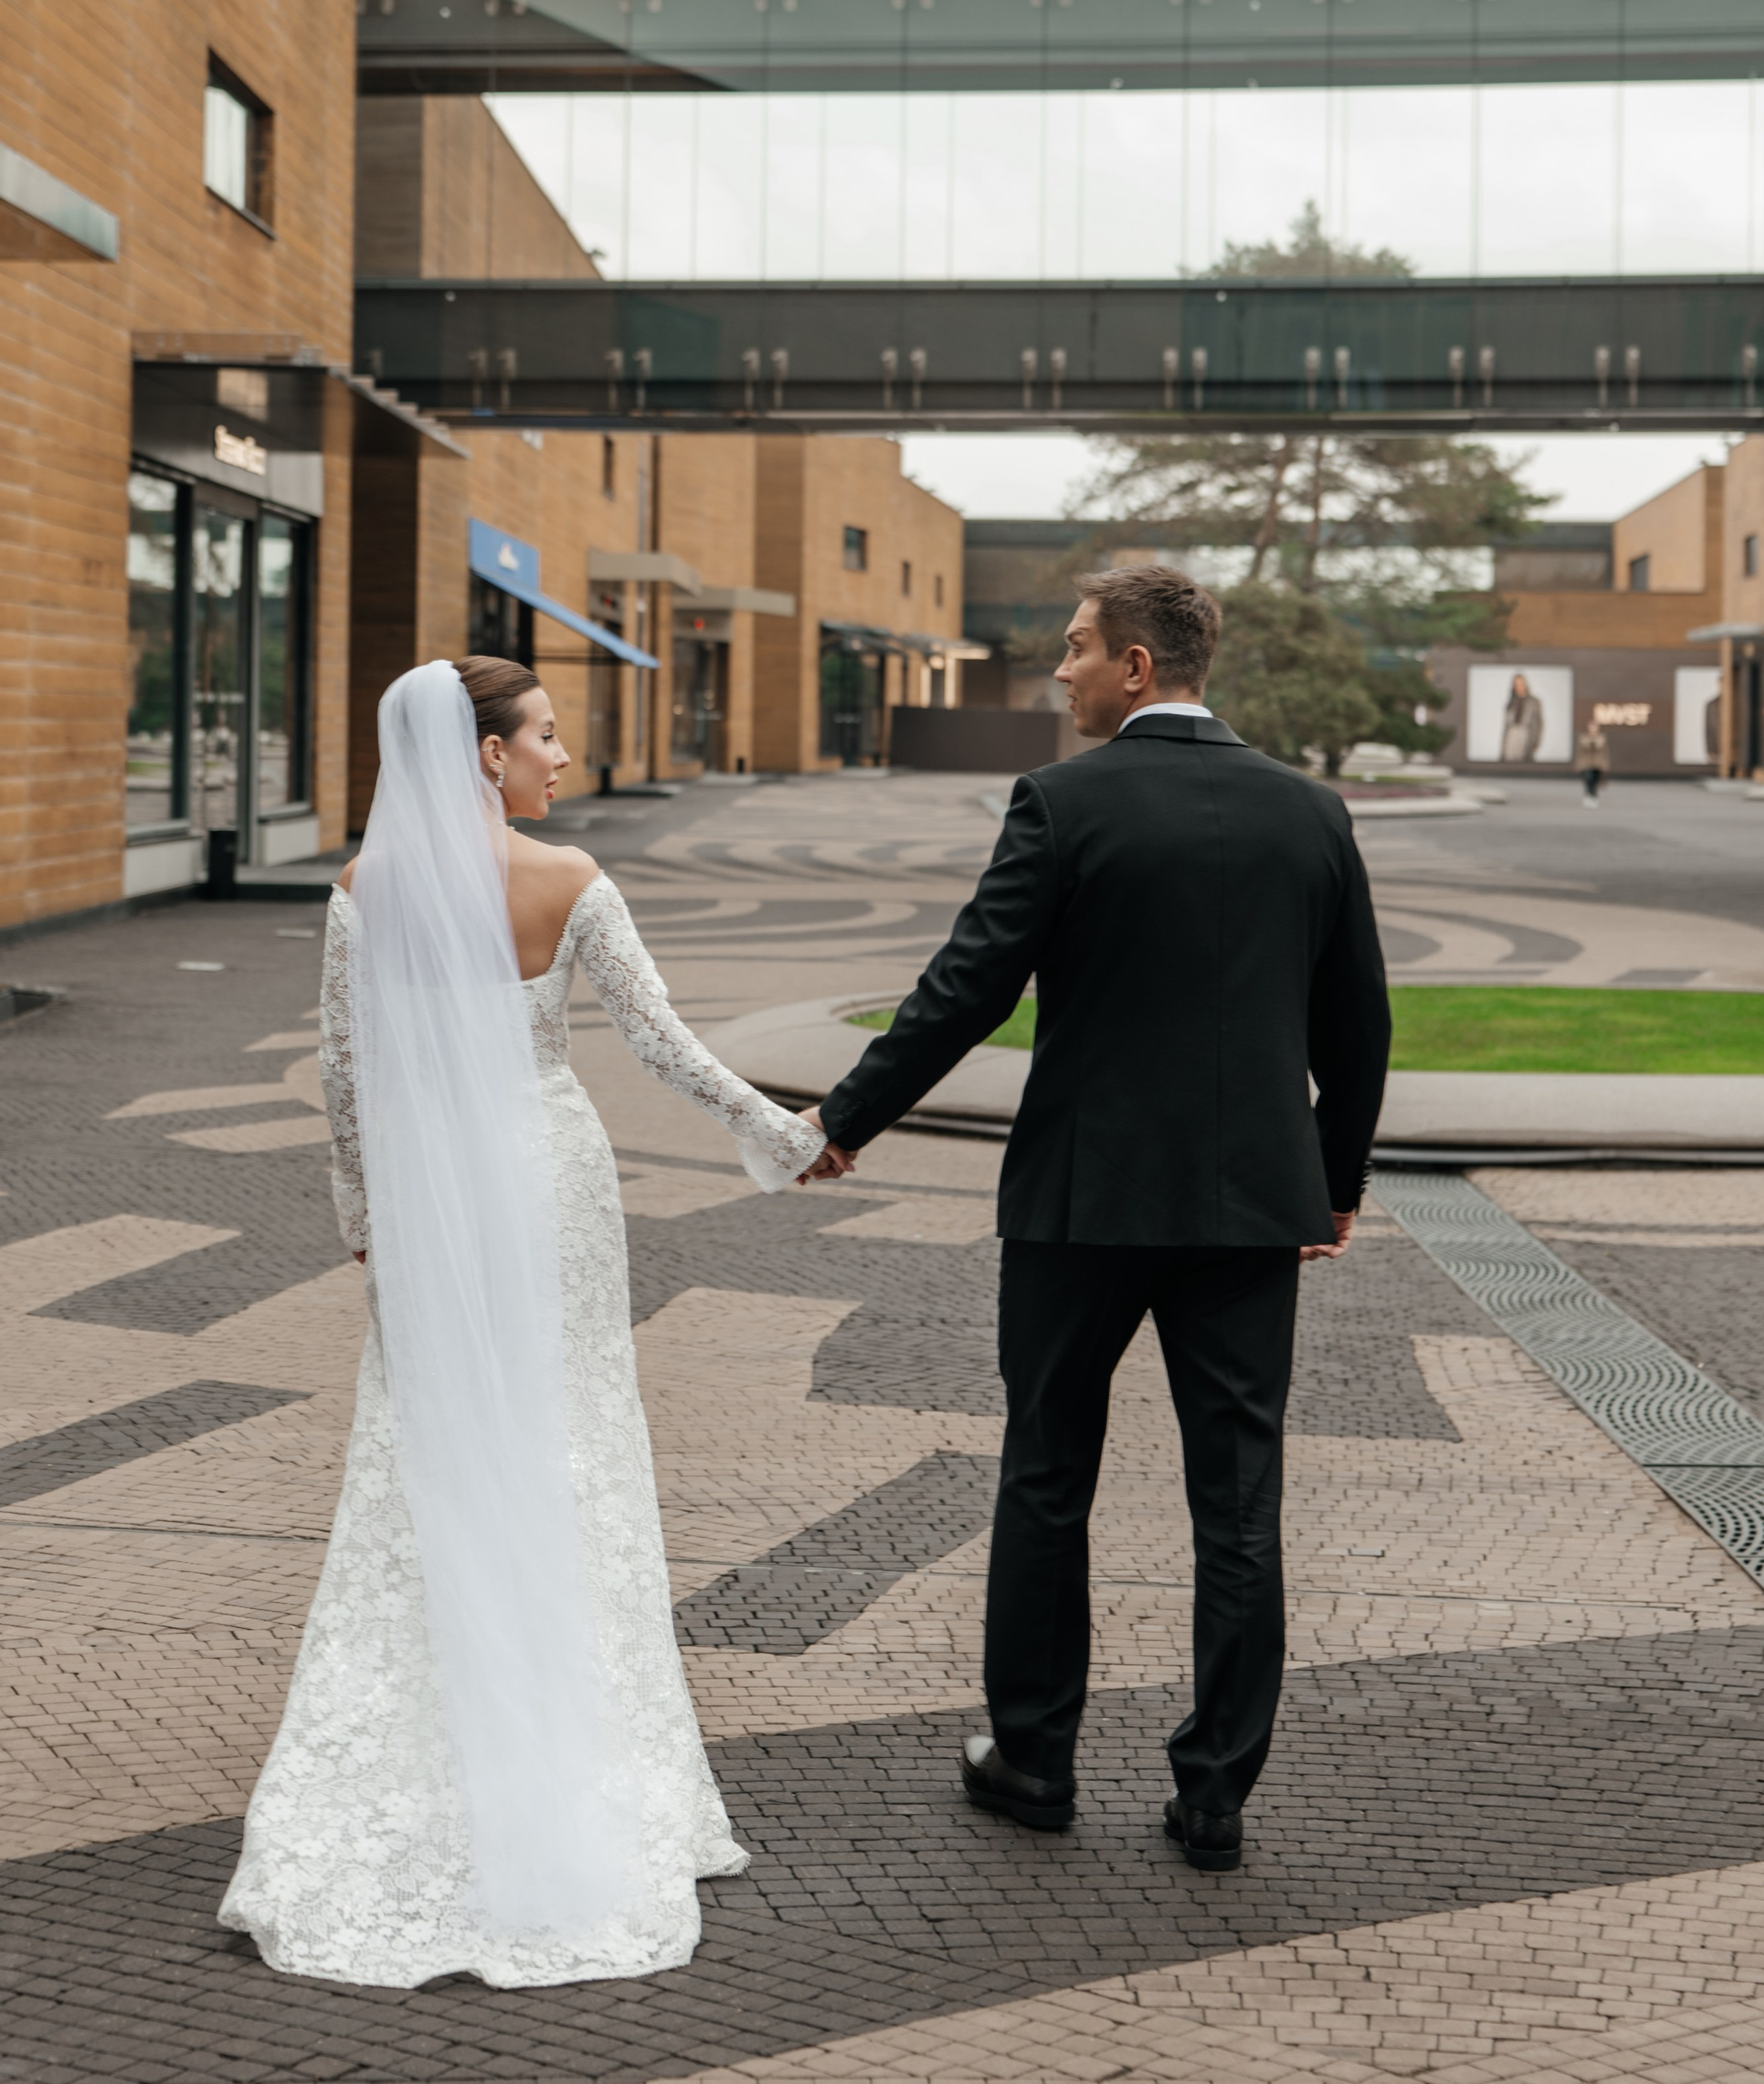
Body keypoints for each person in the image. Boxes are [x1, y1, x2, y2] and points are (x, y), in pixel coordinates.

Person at [220, 657, 845, 1987]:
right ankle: (579, 1757)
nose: (565, 758)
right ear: (488, 756)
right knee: (571, 1449)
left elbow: (345, 1080)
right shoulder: (569, 885)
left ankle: (427, 1747)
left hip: (429, 1195)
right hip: (548, 1179)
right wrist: (783, 1135)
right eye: (547, 738)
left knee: (430, 1458)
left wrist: (366, 1227)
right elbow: (664, 1045)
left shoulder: (360, 890)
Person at [804, 566, 1391, 1874]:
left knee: (1047, 1473)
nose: (1055, 672)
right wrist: (1334, 1183)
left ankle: (1034, 1759)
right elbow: (1360, 1023)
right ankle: (1215, 1795)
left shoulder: (1064, 804)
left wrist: (850, 1116)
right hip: (1249, 1212)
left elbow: (968, 987)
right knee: (1238, 1499)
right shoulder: (1311, 813)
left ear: (1136, 666)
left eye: (1073, 650)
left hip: (1082, 1203)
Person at [1500, 672, 1544, 763]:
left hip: (1525, 735)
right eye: (1516, 684)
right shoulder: (1511, 703)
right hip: (1511, 738)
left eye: (1521, 683)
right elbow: (1506, 727)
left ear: (1525, 684)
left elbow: (1538, 725)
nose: (1519, 686)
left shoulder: (1534, 702)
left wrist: (1534, 745)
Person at [1577, 715, 1609, 806]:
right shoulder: (1583, 737)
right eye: (1591, 727)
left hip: (1598, 763)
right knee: (1588, 779)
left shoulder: (1602, 737)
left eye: (1595, 727)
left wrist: (1605, 764)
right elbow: (1580, 752)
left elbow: (1605, 752)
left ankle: (1594, 796)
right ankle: (1588, 795)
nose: (1593, 729)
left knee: (1596, 781)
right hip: (1586, 763)